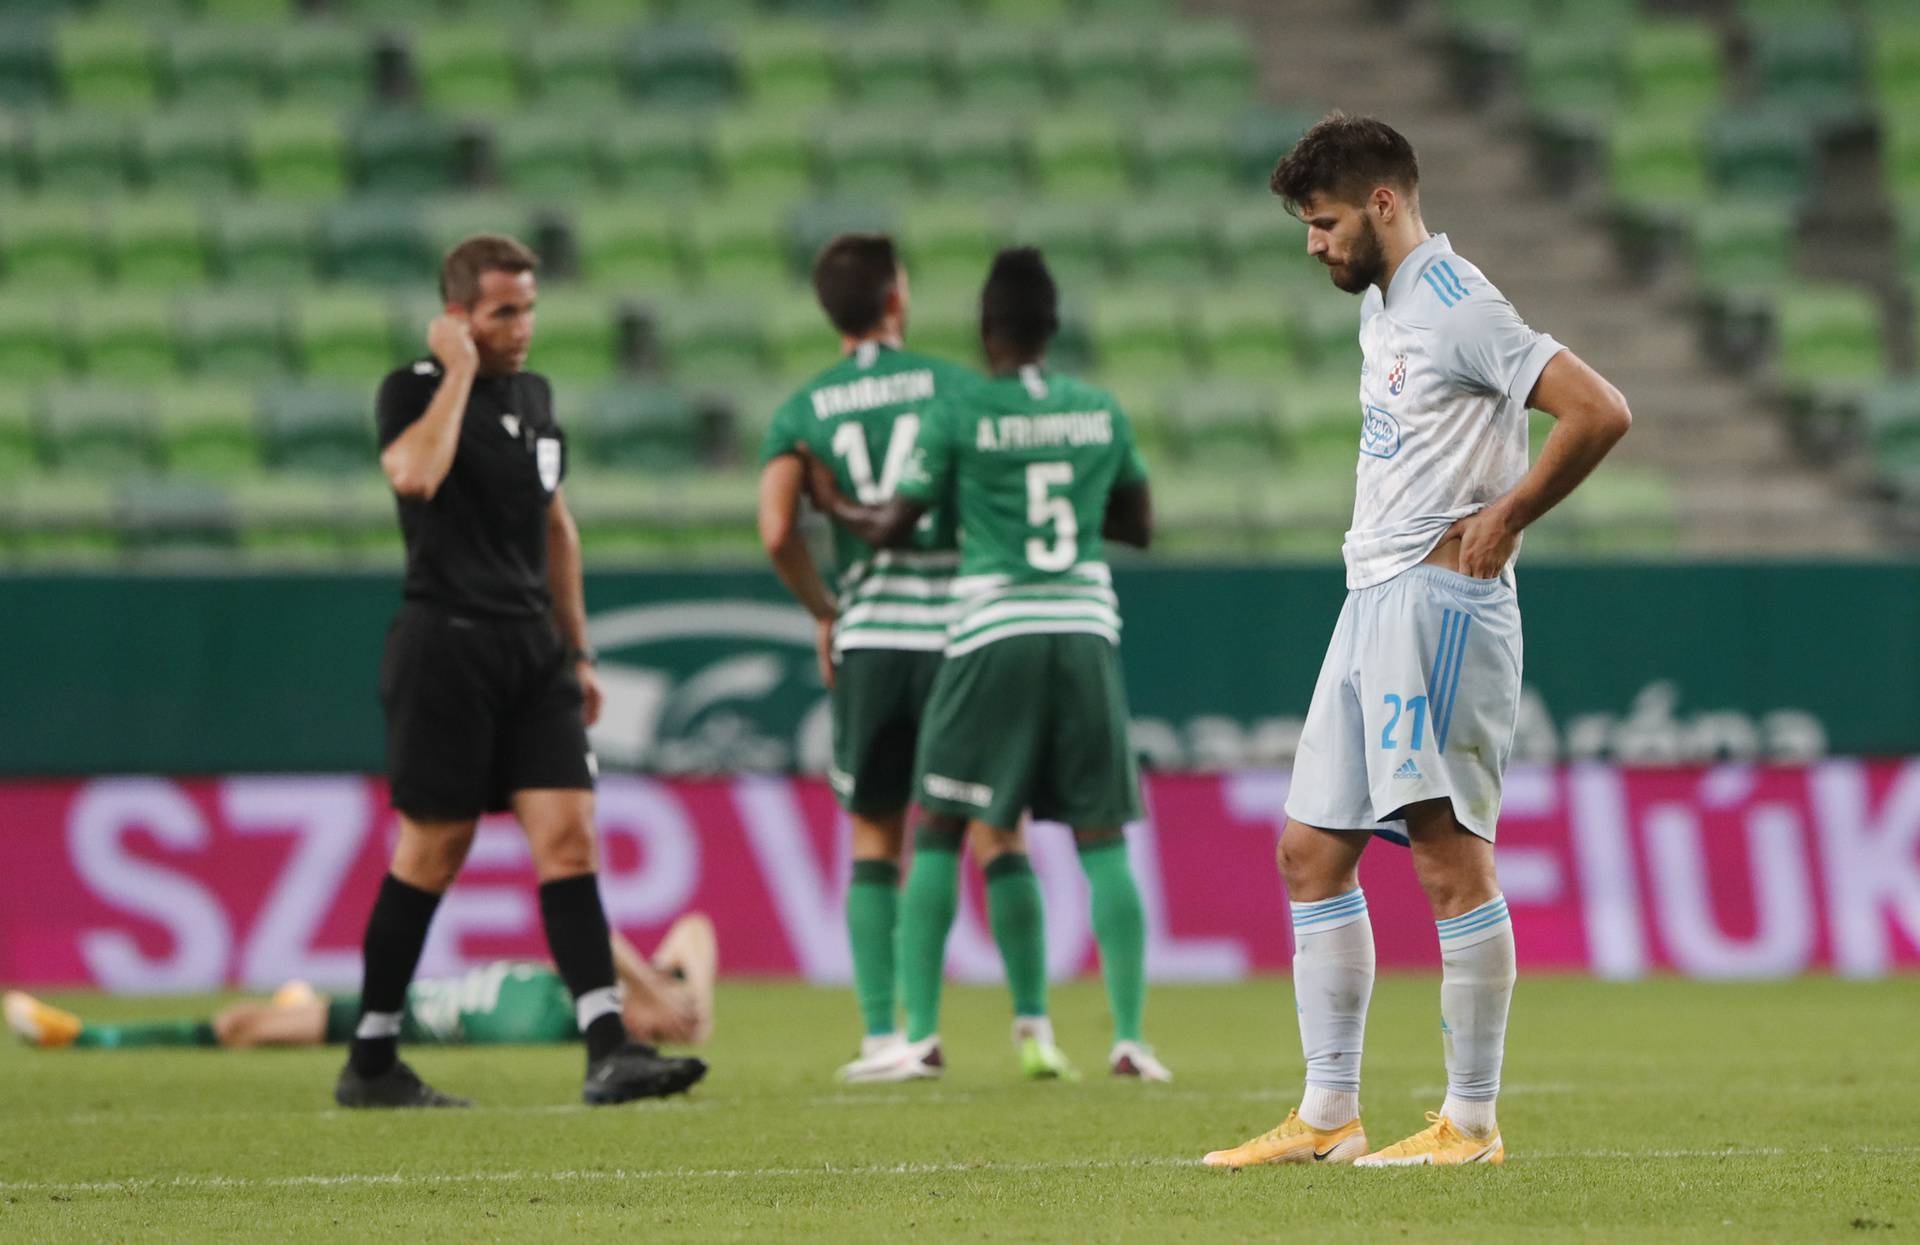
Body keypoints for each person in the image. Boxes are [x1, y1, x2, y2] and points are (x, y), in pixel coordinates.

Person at [1200, 114, 1632, 1168]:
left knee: (1446, 861)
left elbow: (1600, 410)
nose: (1315, 244)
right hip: (1371, 597)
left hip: (1440, 607)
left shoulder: (1456, 304)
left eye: (1326, 222)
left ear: (1384, 204)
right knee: (1308, 853)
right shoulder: (1387, 304)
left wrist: (1508, 517)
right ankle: (1328, 1114)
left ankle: (1471, 1125)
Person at [348, 233, 705, 1108]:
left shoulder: (538, 399)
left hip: (531, 649)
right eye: (504, 311)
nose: (523, 327)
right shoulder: (416, 391)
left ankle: (608, 1046)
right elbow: (414, 472)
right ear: (459, 315)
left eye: (530, 308)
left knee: (569, 838)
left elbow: (557, 527)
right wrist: (459, 371)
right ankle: (372, 1058)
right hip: (446, 645)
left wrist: (577, 648)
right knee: (434, 850)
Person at [799, 247, 1172, 1083]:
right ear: (1054, 327)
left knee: (936, 822)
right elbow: (1140, 525)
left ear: (984, 330)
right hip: (1083, 624)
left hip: (992, 626)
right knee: (1101, 834)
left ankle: (921, 1038)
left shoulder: (962, 412)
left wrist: (829, 503)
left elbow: (893, 525)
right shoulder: (1098, 409)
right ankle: (1130, 1040)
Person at [758, 234, 1070, 1084]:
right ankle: (1034, 1025)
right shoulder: (956, 388)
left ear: (831, 309)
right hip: (960, 634)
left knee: (875, 833)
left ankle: (881, 1035)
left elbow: (778, 528)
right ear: (896, 296)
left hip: (869, 636)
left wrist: (826, 608)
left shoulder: (805, 407)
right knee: (992, 827)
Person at [5, 917, 717, 1053]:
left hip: (402, 1025)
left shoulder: (596, 1029)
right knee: (246, 1024)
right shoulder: (614, 986)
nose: (666, 1018)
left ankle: (86, 1034)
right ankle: (93, 1032)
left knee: (238, 1029)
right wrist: (689, 993)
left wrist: (659, 1001)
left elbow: (588, 931)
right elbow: (693, 928)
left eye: (668, 1022)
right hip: (406, 997)